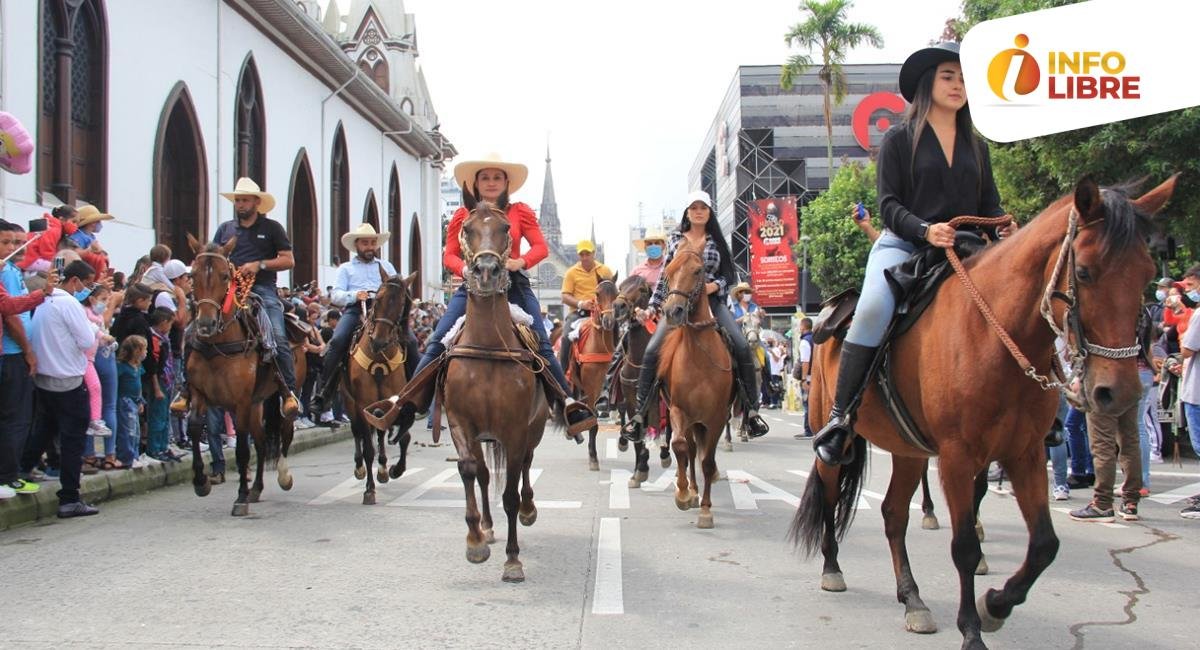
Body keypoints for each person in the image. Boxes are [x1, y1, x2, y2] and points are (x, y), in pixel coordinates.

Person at [811, 41, 1016, 465]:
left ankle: (1034, 409)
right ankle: (840, 417)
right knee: (870, 310)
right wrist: (925, 229)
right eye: (948, 76)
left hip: (968, 249)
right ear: (928, 84)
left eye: (963, 79)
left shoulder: (977, 145)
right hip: (903, 245)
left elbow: (989, 204)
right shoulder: (899, 138)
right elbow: (887, 204)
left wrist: (1003, 224)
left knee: (1018, 301)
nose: (958, 85)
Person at [386, 152, 595, 435]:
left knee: (542, 343)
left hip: (514, 284)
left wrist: (520, 262)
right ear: (475, 183)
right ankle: (406, 402)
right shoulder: (463, 215)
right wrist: (465, 269)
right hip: (473, 283)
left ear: (506, 182)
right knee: (438, 339)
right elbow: (449, 255)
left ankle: (567, 403)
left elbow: (540, 248)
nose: (491, 182)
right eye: (485, 177)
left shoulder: (520, 211)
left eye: (497, 177)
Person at [622, 190, 770, 442]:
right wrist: (652, 308)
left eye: (703, 207)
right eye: (694, 207)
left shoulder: (717, 241)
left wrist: (716, 287)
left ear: (709, 213)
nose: (698, 211)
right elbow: (665, 279)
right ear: (687, 213)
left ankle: (752, 411)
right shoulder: (676, 239)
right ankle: (639, 416)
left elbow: (729, 276)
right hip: (678, 302)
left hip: (711, 301)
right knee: (651, 351)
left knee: (742, 345)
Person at [173, 177, 300, 417]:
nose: (240, 204)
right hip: (227, 290)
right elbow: (213, 256)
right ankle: (184, 390)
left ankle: (288, 392)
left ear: (256, 202)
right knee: (191, 333)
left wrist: (259, 264)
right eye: (238, 200)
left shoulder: (272, 228)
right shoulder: (225, 229)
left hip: (261, 290)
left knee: (277, 335)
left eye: (244, 200)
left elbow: (288, 259)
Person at [309, 223, 417, 414]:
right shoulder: (346, 268)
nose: (369, 247)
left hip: (384, 313)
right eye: (365, 243)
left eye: (372, 243)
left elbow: (399, 288)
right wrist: (355, 295)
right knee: (337, 341)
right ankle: (325, 392)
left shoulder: (387, 266)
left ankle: (417, 390)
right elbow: (336, 295)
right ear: (357, 245)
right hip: (356, 310)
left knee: (412, 342)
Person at [29, 260, 98, 517]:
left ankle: (24, 469)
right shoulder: (68, 303)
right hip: (67, 378)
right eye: (87, 284)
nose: (88, 290)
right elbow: (86, 340)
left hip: (45, 376)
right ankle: (69, 497)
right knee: (72, 440)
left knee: (45, 429)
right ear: (74, 281)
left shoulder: (45, 300)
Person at [0, 220, 54, 499]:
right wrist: (28, 351)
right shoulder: (6, 272)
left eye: (15, 241)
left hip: (14, 353)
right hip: (10, 354)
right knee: (15, 418)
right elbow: (9, 312)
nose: (13, 248)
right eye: (6, 242)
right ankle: (8, 476)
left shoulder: (9, 269)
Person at [1171, 266, 1200, 519]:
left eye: (1190, 286)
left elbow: (1189, 349)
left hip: (1197, 390)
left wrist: (1173, 360)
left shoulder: (1199, 314)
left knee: (1199, 445)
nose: (1186, 292)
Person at [115, 335, 149, 469]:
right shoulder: (122, 367)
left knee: (136, 431)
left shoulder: (138, 367)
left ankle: (134, 455)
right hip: (124, 401)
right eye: (144, 349)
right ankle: (126, 457)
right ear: (136, 351)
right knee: (127, 431)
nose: (146, 353)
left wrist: (140, 401)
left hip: (135, 402)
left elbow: (139, 384)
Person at [792, 317, 815, 439]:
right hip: (815, 376)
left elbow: (805, 362)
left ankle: (809, 430)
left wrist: (804, 379)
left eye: (799, 326)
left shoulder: (805, 341)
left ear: (803, 327)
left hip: (809, 378)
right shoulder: (814, 339)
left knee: (808, 404)